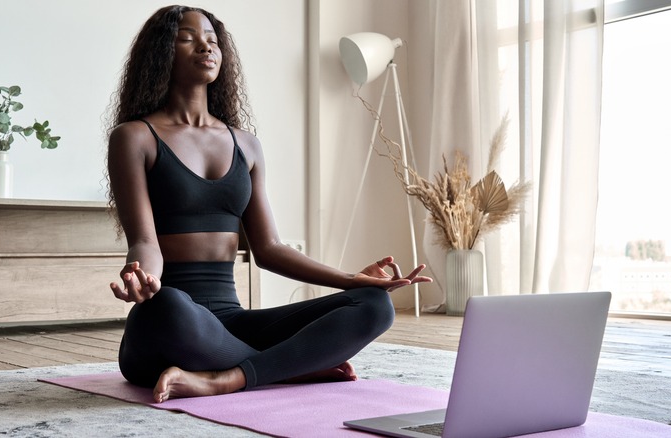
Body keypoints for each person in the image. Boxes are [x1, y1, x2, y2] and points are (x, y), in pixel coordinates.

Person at [106, 5, 432, 404]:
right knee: (168, 305)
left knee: (374, 306)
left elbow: (270, 249)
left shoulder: (246, 144)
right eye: (188, 38)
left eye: (212, 38)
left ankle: (226, 379)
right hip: (171, 325)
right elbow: (144, 242)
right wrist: (142, 277)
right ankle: (291, 368)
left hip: (232, 325)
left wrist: (352, 280)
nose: (205, 46)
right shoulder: (135, 137)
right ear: (161, 53)